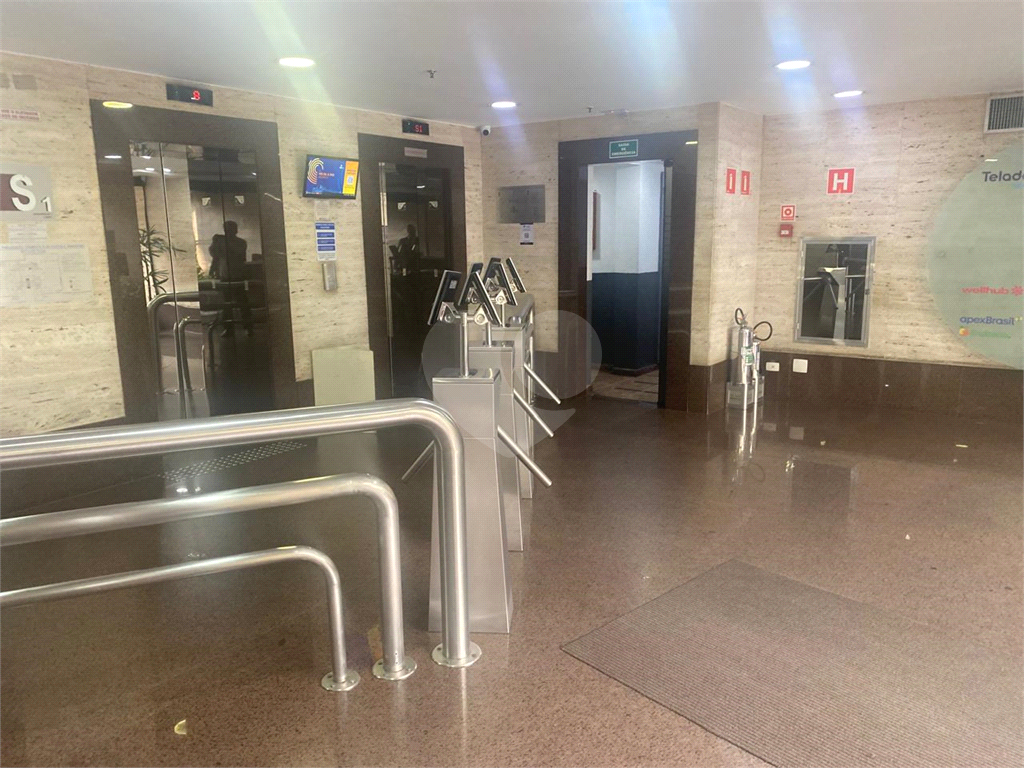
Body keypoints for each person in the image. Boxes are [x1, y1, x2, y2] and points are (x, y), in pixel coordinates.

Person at [208, 221, 252, 336]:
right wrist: (213, 268)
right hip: (226, 275)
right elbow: (215, 255)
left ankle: (247, 327)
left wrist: (220, 242)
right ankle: (229, 328)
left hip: (237, 275)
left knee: (242, 303)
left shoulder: (240, 242)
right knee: (226, 304)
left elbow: (237, 254)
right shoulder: (222, 242)